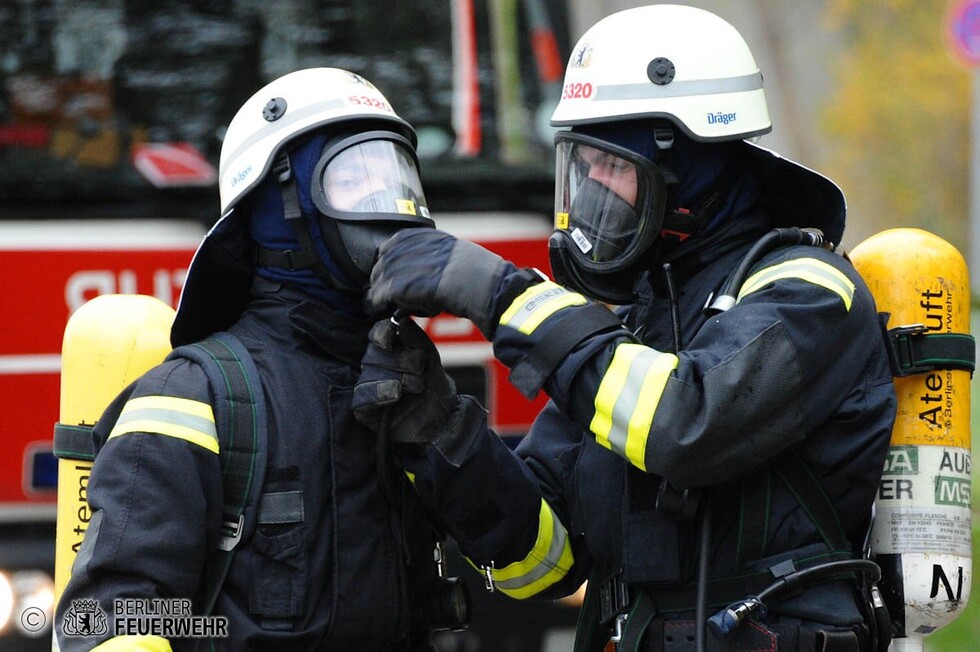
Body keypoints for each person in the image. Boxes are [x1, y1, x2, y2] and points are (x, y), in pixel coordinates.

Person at [353, 5, 896, 651]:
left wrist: (502, 295)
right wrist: (439, 429)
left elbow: (685, 423)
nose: (592, 193)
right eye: (582, 169)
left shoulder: (809, 291)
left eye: (612, 167)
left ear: (690, 163)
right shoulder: (639, 325)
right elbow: (543, 563)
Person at [56, 67, 458, 651]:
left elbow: (539, 564)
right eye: (354, 179)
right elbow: (107, 626)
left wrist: (453, 432)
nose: (388, 207)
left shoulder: (412, 383)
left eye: (395, 177)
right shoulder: (191, 396)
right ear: (280, 205)